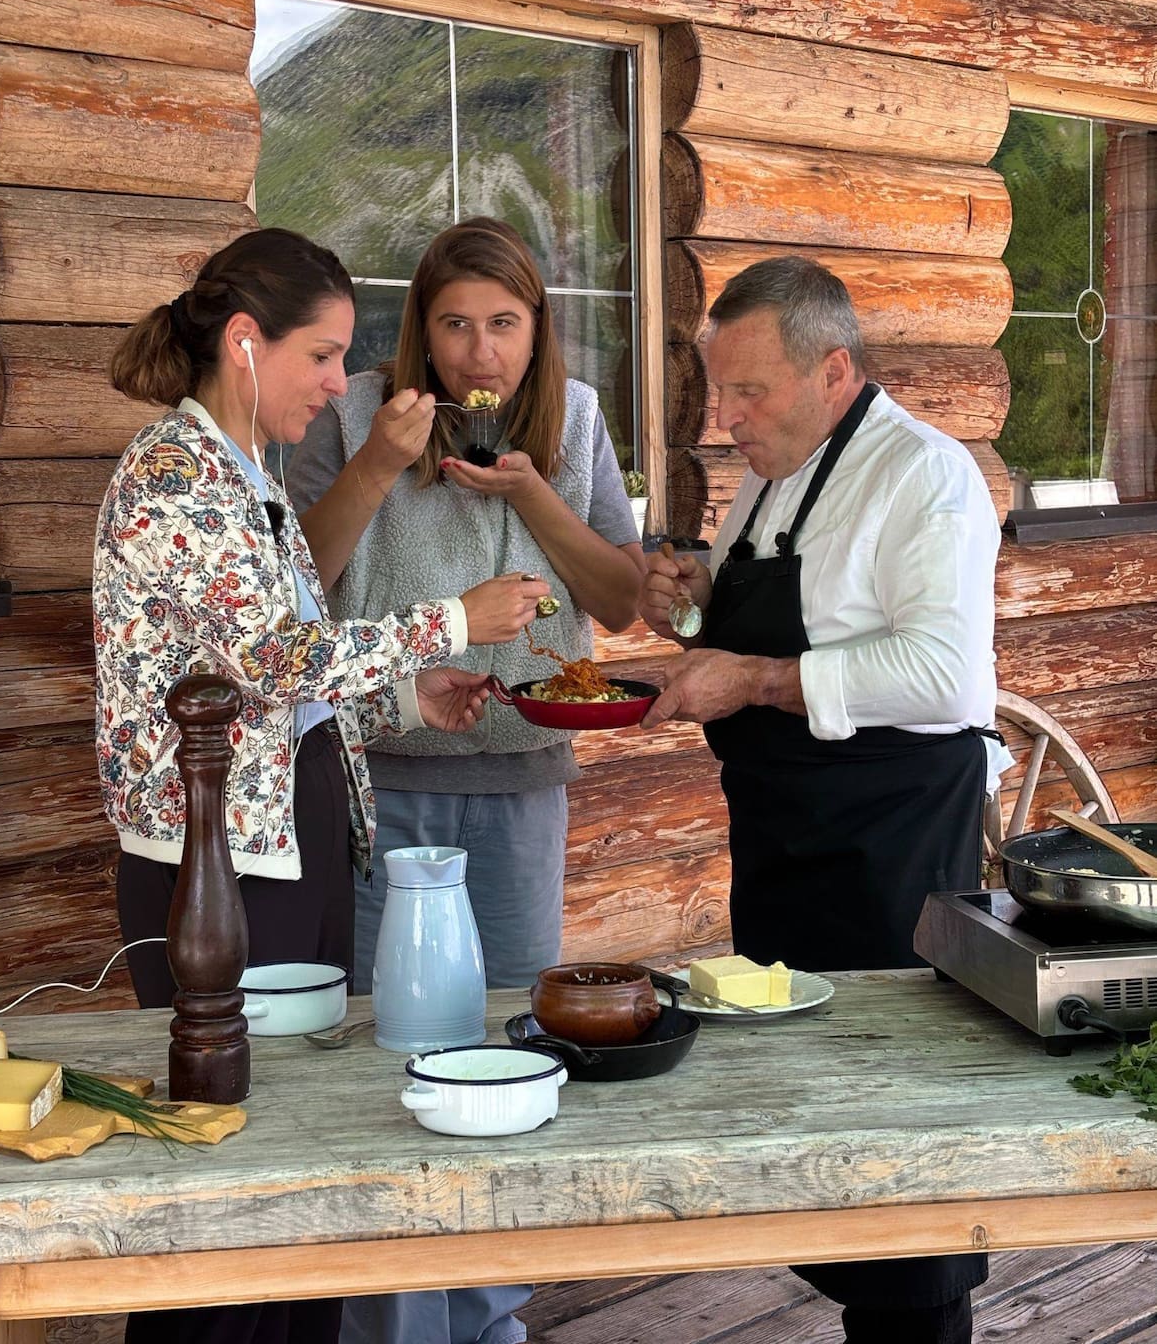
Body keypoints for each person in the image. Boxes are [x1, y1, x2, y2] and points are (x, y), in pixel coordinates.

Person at [94, 227, 551, 1344]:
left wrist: (406, 697)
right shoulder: (173, 471)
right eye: (323, 357)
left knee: (296, 1158)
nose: (341, 385)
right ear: (245, 344)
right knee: (227, 1189)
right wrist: (453, 618)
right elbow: (274, 660)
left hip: (284, 840)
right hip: (209, 871)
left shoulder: (242, 475)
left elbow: (279, 683)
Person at [286, 216, 644, 1344]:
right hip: (379, 777)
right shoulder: (351, 417)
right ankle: (388, 1322)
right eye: (454, 325)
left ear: (538, 330)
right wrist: (380, 463)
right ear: (420, 335)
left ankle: (489, 1317)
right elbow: (297, 585)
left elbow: (625, 599)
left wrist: (534, 496)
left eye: (504, 324)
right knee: (392, 1049)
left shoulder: (576, 420)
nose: (480, 352)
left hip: (521, 776)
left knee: (503, 1048)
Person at [638, 255, 1008, 1344]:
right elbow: (772, 623)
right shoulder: (771, 473)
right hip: (789, 846)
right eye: (719, 392)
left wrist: (748, 678)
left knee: (902, 1149)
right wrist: (695, 606)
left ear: (834, 370)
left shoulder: (924, 476)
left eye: (748, 392)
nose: (727, 419)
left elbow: (945, 675)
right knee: (819, 1118)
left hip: (892, 851)